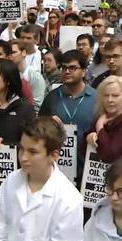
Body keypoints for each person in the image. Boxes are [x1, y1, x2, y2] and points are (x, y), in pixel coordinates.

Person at [0, 117, 83, 241]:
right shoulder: (11, 181)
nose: (23, 157)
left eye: (33, 152)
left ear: (54, 155)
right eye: (22, 149)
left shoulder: (69, 198)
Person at [39, 50, 97, 185]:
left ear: (83, 71)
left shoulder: (96, 97)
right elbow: (38, 127)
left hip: (86, 168)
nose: (67, 71)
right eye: (64, 67)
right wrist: (49, 124)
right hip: (58, 167)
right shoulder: (52, 97)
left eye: (72, 68)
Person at [84, 76, 122, 163]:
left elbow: (110, 154)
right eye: (106, 95)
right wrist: (88, 139)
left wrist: (100, 128)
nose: (110, 100)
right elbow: (83, 152)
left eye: (115, 96)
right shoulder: (101, 117)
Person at [11, 39, 46, 112]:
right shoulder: (7, 74)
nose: (10, 56)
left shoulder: (35, 77)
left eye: (13, 52)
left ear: (23, 52)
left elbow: (37, 106)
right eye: (8, 53)